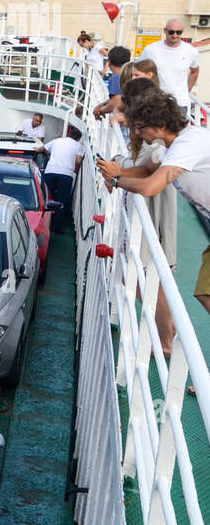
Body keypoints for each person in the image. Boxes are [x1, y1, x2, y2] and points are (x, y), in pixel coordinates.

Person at [97, 91, 210, 346]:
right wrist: (119, 174)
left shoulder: (186, 146)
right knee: (205, 292)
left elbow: (150, 186)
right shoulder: (180, 142)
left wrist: (117, 179)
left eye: (140, 127)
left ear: (160, 126)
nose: (137, 133)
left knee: (207, 293)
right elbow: (150, 169)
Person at [144, 18, 200, 114]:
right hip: (155, 102)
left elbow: (195, 71)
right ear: (165, 31)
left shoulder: (190, 51)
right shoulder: (150, 50)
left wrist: (186, 90)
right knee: (156, 129)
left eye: (178, 32)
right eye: (171, 32)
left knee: (178, 129)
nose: (175, 35)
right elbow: (140, 72)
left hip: (180, 103)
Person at [40, 127, 83, 235]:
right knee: (61, 201)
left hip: (50, 172)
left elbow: (42, 148)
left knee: (46, 199)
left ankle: (44, 225)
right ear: (78, 138)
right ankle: (56, 228)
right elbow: (78, 160)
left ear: (69, 134)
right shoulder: (78, 146)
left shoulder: (57, 141)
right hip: (66, 175)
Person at [92, 45, 132, 121]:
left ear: (109, 62)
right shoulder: (130, 75)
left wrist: (99, 111)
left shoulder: (117, 78)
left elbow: (114, 104)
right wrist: (102, 104)